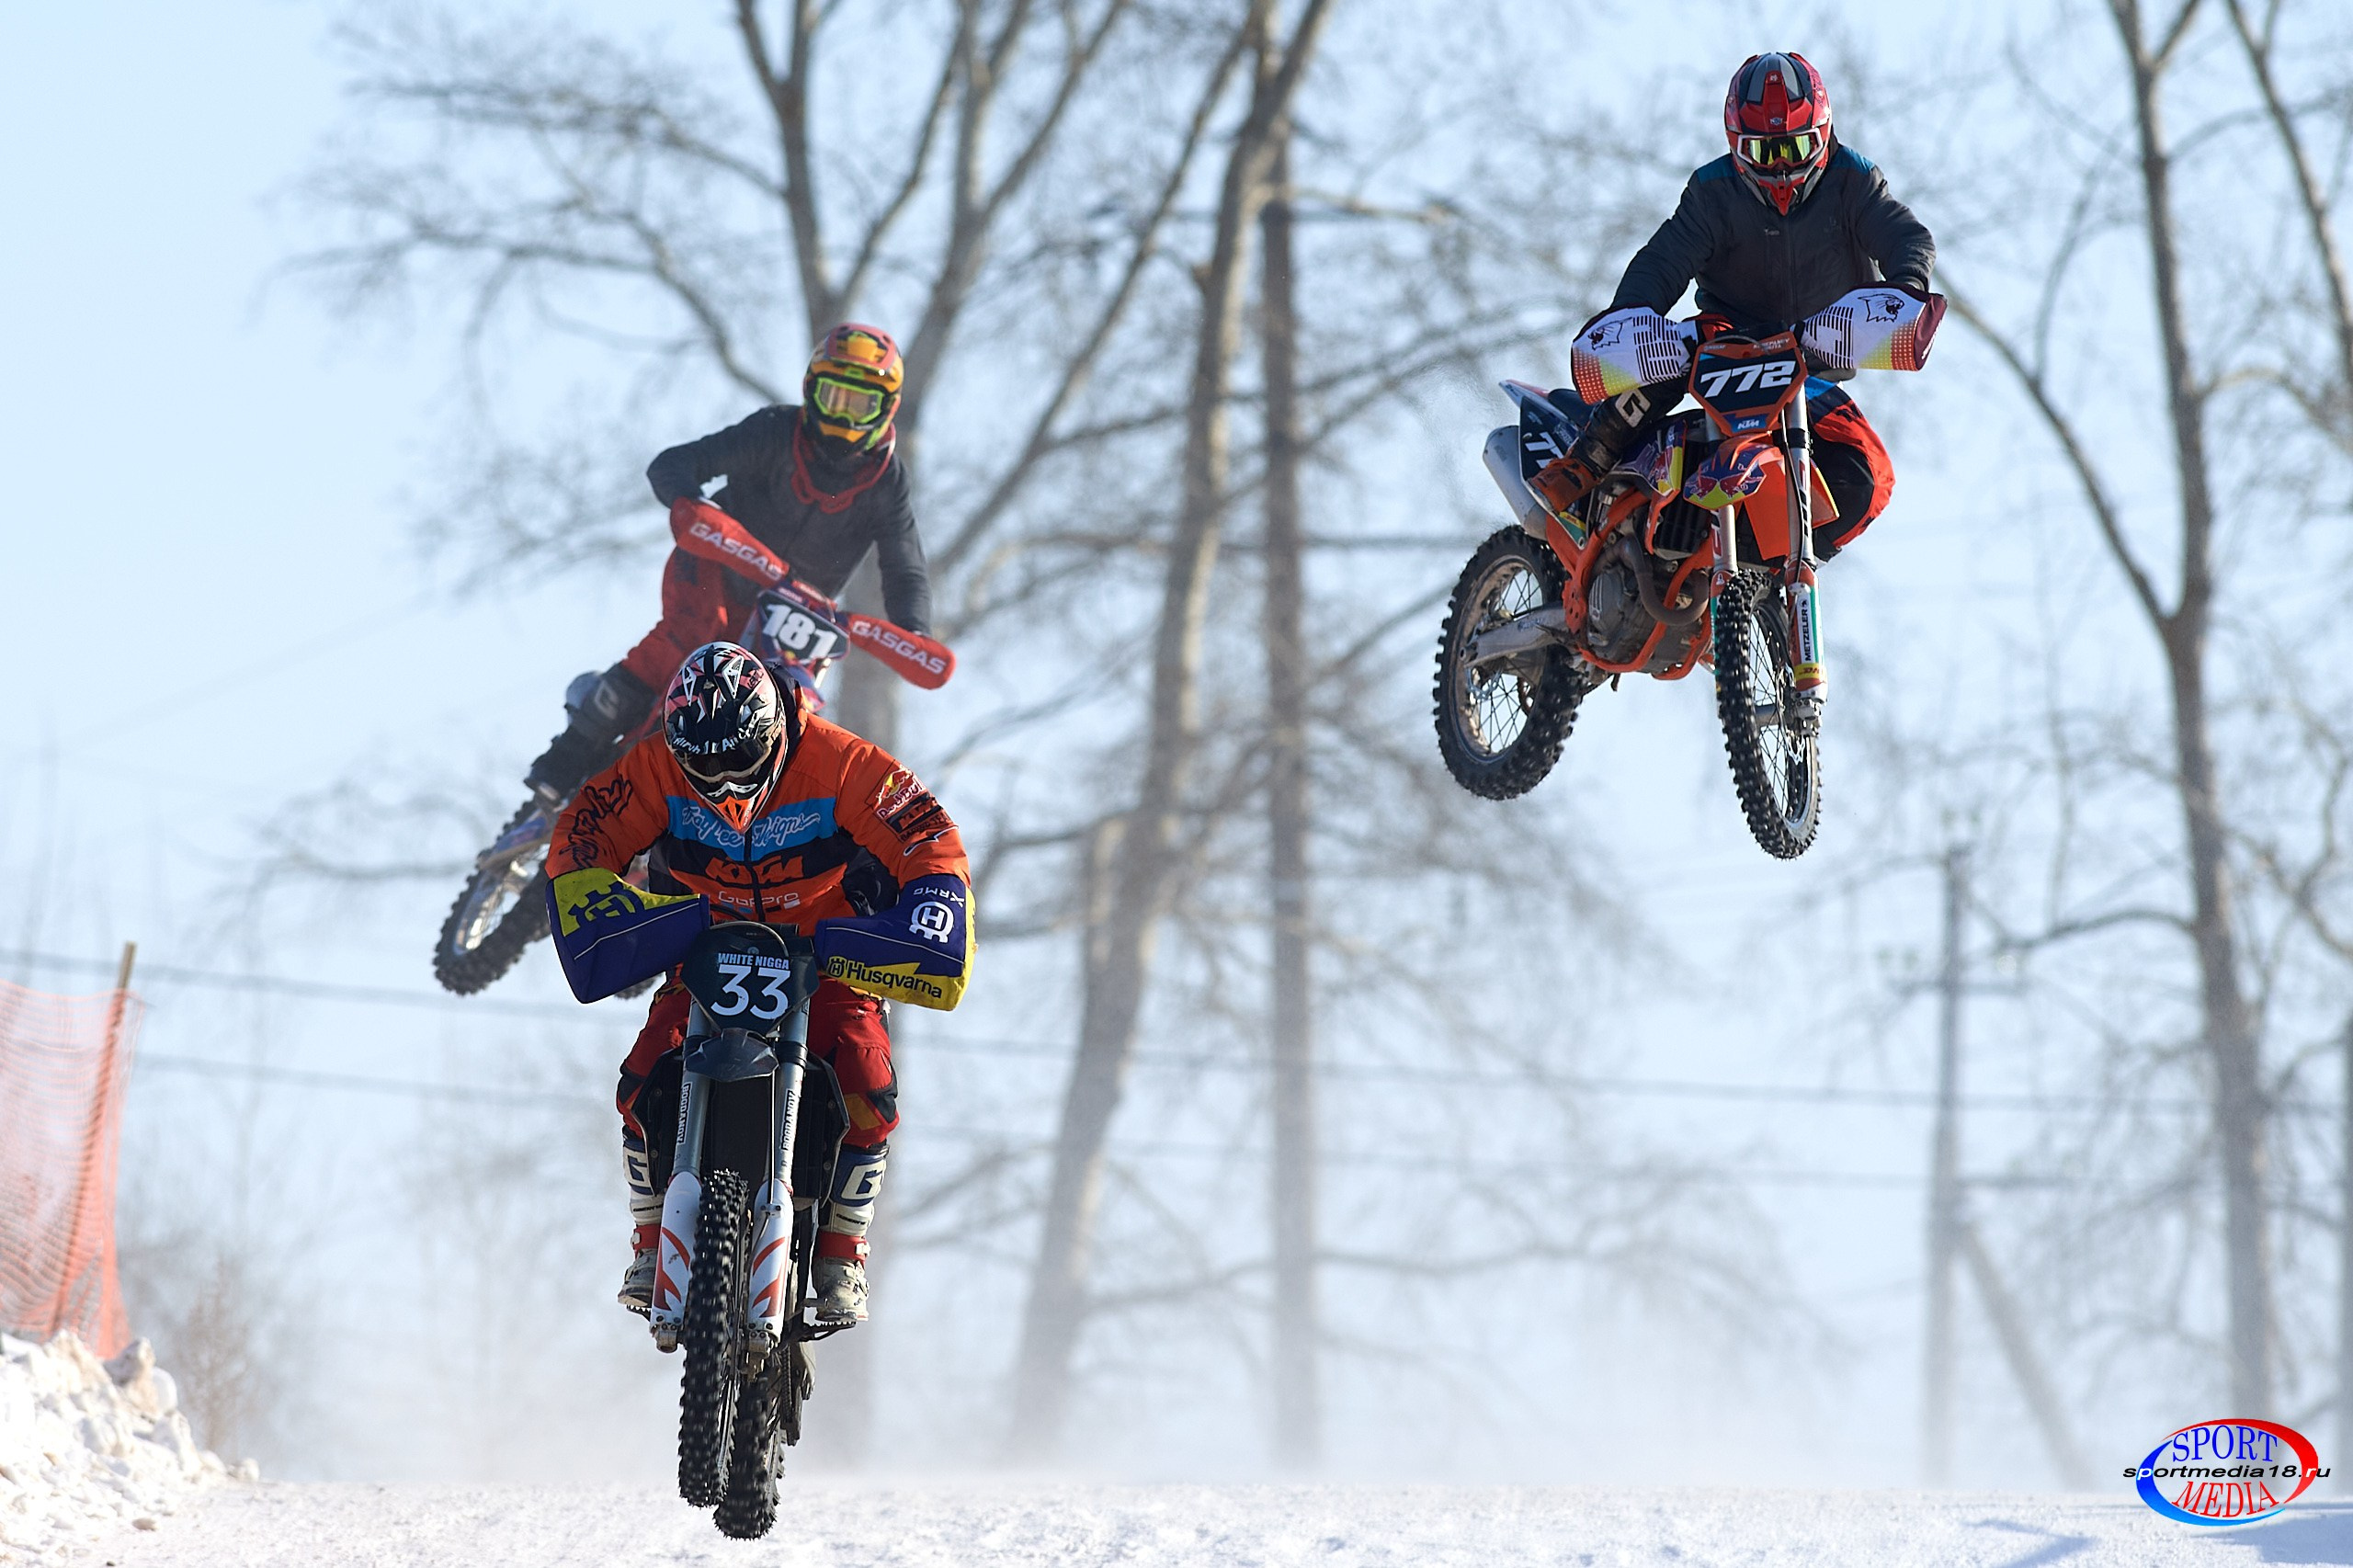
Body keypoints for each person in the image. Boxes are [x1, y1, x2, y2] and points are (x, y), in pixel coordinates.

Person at [542, 641, 974, 1327]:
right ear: (678, 751)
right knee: (639, 1077)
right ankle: (652, 1241)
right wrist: (591, 892)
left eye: (740, 760)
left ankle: (842, 1251)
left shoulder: (847, 765)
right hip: (706, 947)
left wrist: (930, 898)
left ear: (774, 733)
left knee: (869, 1081)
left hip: (826, 952)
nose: (725, 783)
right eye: (703, 767)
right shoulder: (653, 768)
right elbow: (582, 831)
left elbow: (928, 834)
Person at [1530, 52, 1935, 559]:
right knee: (1674, 346)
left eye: (1797, 146)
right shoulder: (1712, 192)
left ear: (1824, 135)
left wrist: (1906, 287)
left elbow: (1905, 236)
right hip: (1728, 339)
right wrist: (1631, 314)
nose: (1783, 164)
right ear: (1735, 147)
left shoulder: (1854, 180)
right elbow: (1663, 260)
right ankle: (1588, 458)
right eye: (1766, 153)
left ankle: (1760, 565)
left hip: (1811, 355)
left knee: (1868, 474)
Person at [525, 324, 934, 805]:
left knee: (782, 707)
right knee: (691, 642)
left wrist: (913, 630)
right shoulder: (776, 430)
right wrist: (688, 503)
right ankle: (567, 757)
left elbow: (904, 562)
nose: (843, 418)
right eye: (833, 398)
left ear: (887, 408)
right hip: (716, 567)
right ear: (810, 390)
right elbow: (676, 462)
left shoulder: (888, 481)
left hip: (794, 614)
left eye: (859, 404)